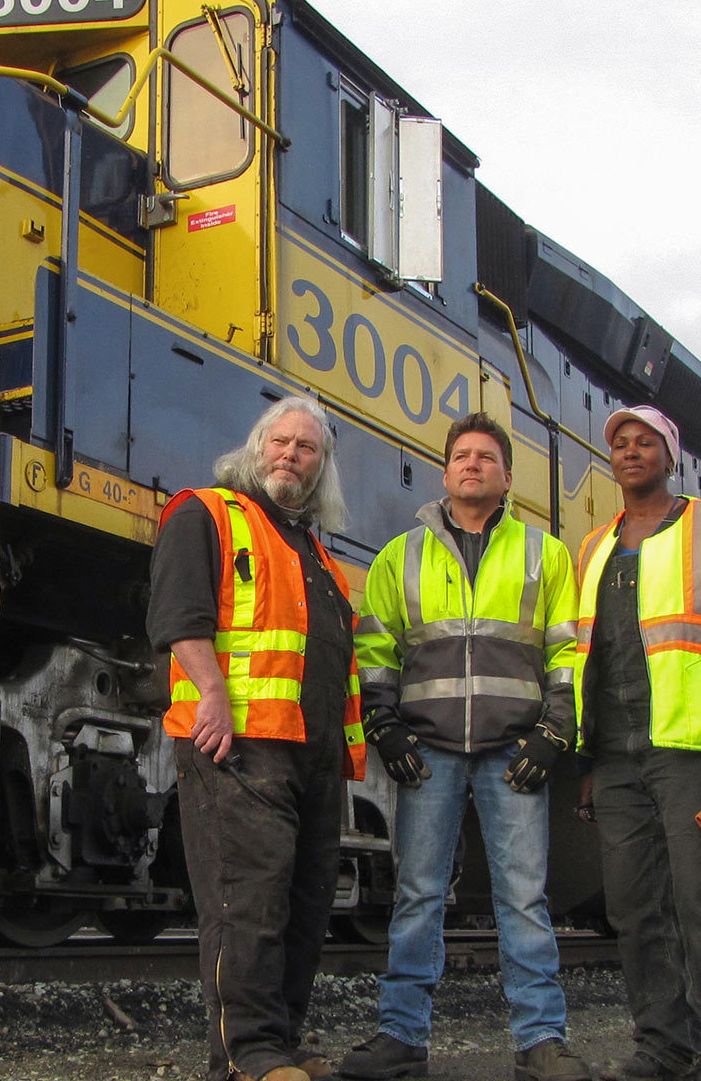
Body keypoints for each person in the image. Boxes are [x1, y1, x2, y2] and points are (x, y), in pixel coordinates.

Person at [340, 412, 591, 1081]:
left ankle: (541, 1041)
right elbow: (374, 648)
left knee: (523, 898)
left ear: (508, 475)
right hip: (428, 749)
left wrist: (555, 729)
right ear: (445, 471)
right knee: (418, 892)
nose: (472, 464)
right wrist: (384, 724)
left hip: (516, 750)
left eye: (486, 456)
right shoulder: (400, 556)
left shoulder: (547, 554)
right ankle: (400, 1036)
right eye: (461, 455)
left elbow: (567, 649)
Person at [147, 395, 368, 1081]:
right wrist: (212, 693)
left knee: (303, 908)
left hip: (313, 757)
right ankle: (246, 1053)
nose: (290, 456)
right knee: (249, 902)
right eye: (280, 442)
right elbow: (180, 614)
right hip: (239, 746)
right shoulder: (205, 513)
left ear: (320, 467)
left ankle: (282, 1039)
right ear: (255, 448)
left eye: (306, 449)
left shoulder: (318, 560)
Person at [572, 405, 701, 1081]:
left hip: (690, 748)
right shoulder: (595, 547)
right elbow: (593, 655)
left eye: (645, 442)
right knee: (633, 907)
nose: (631, 451)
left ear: (671, 454)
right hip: (618, 754)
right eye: (620, 443)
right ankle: (665, 1045)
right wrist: (592, 757)